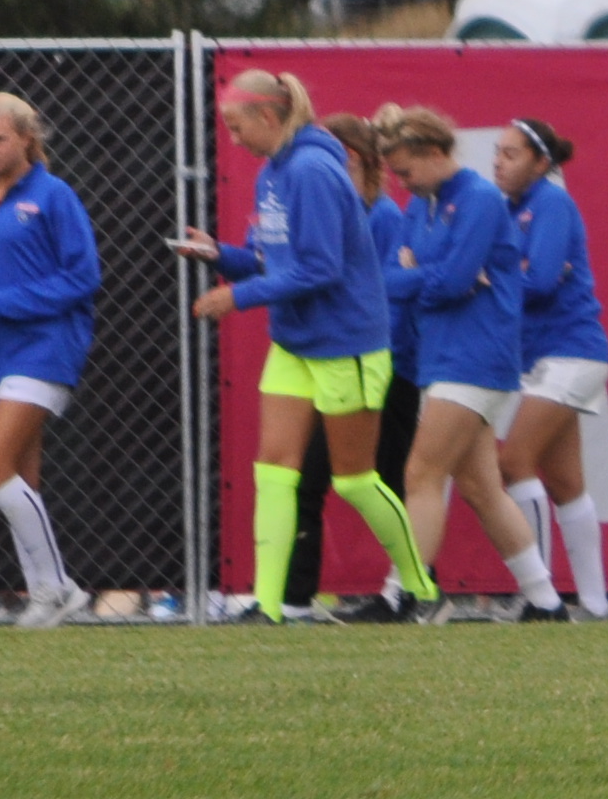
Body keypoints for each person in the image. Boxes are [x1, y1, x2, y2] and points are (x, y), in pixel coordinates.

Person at [177, 70, 442, 624]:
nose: (232, 137)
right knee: (274, 469)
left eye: (236, 125)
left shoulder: (313, 170)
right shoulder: (273, 173)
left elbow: (320, 269)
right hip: (296, 343)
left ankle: (418, 582)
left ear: (269, 118)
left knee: (353, 479)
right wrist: (218, 255)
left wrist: (239, 297)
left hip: (346, 343)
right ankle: (269, 606)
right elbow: (272, 258)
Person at [370, 107, 565, 619]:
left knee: (420, 472)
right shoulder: (420, 203)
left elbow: (451, 281)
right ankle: (545, 602)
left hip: (476, 355)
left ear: (435, 154)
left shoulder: (477, 199)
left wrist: (424, 274)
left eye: (407, 171)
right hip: (443, 355)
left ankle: (404, 594)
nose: (402, 183)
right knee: (481, 488)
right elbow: (400, 276)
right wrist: (429, 275)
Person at [0, 91, 99, 626]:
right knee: (20, 480)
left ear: (26, 138)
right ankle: (44, 598)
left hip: (48, 346)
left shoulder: (55, 196)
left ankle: (59, 588)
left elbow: (82, 278)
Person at [280, 115, 417, 620]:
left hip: (384, 369)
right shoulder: (344, 213)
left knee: (386, 479)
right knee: (311, 479)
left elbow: (387, 293)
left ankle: (413, 588)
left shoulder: (380, 217)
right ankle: (292, 601)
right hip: (337, 363)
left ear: (352, 161)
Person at [494, 119, 608, 618]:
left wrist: (487, 278)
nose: (499, 162)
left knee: (513, 462)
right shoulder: (508, 209)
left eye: (511, 154)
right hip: (543, 357)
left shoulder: (552, 203)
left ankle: (540, 597)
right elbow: (526, 277)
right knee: (566, 484)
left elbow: (541, 280)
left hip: (572, 353)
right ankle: (596, 604)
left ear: (542, 163)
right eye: (497, 152)